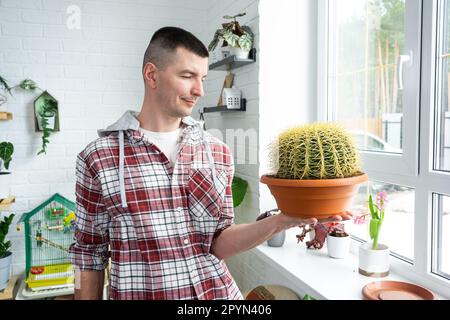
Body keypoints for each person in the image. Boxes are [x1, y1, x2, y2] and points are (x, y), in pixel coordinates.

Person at [69, 26, 347, 300]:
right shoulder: (99, 157)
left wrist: (281, 221)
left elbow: (219, 242)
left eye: (202, 77)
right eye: (187, 76)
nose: (199, 89)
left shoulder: (217, 152)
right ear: (152, 75)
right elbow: (88, 255)